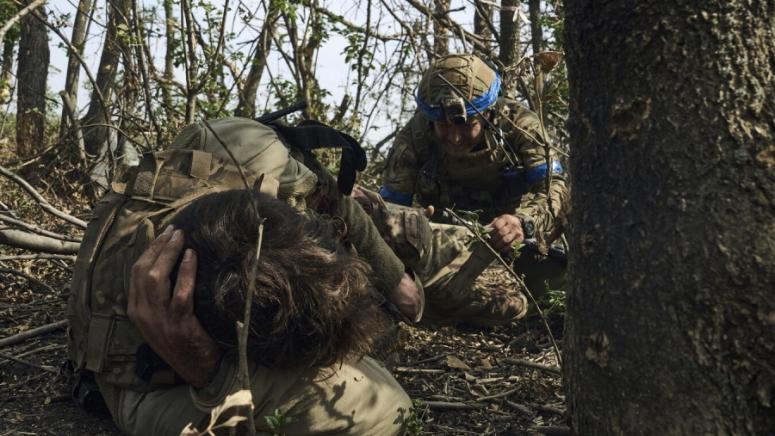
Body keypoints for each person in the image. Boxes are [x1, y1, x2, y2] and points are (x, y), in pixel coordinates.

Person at [66, 118, 419, 435]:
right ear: (260, 179)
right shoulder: (236, 237)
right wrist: (214, 374)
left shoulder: (159, 198)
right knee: (388, 405)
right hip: (158, 395)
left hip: (114, 375)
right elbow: (301, 342)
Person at [374, 53, 569, 326]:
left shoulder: (519, 126)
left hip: (518, 244)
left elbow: (554, 190)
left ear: (487, 113)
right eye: (443, 126)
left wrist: (522, 222)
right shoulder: (415, 137)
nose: (454, 138)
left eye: (466, 126)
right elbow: (388, 212)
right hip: (446, 250)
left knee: (558, 290)